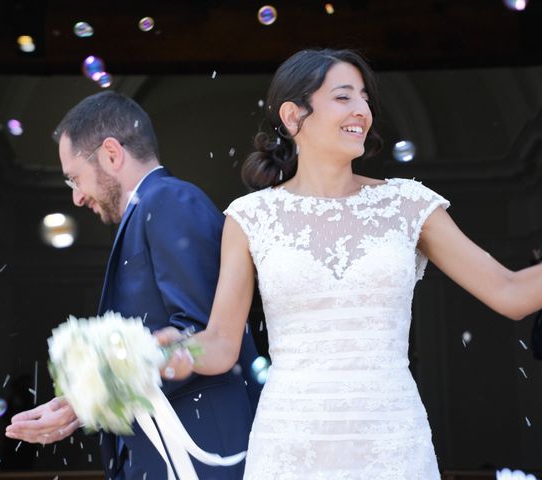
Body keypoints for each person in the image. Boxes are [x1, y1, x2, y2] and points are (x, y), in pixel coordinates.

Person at [156, 48, 542, 479]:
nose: (362, 109)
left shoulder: (408, 205)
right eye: (344, 97)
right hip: (289, 443)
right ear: (292, 116)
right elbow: (222, 345)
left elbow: (510, 292)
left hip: (392, 443)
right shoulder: (250, 218)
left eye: (364, 98)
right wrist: (174, 351)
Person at [5, 91, 261, 479]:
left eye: (75, 177)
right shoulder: (150, 209)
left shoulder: (172, 201)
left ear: (111, 153)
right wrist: (82, 401)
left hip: (202, 455)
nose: (75, 197)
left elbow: (202, 336)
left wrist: (93, 390)